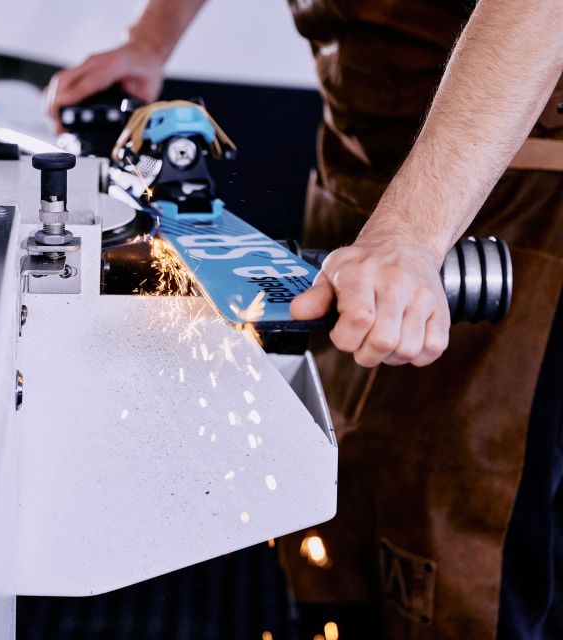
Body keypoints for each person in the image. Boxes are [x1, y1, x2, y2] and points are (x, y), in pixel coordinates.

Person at [46, 1, 563, 638]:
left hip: (513, 190)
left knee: (449, 544)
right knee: (327, 495)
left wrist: (412, 232)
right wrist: (148, 41)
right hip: (360, 164)